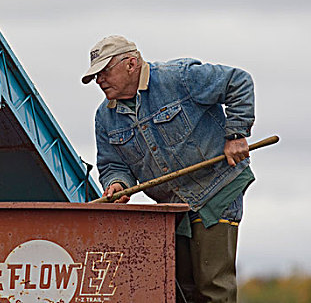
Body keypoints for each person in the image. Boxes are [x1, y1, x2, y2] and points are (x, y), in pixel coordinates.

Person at [82, 35, 255, 303]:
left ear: (131, 63)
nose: (99, 80)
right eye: (96, 76)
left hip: (217, 189)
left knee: (213, 286)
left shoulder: (180, 78)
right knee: (181, 291)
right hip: (174, 206)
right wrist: (118, 183)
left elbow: (238, 82)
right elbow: (113, 163)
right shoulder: (105, 117)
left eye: (105, 71)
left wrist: (236, 135)